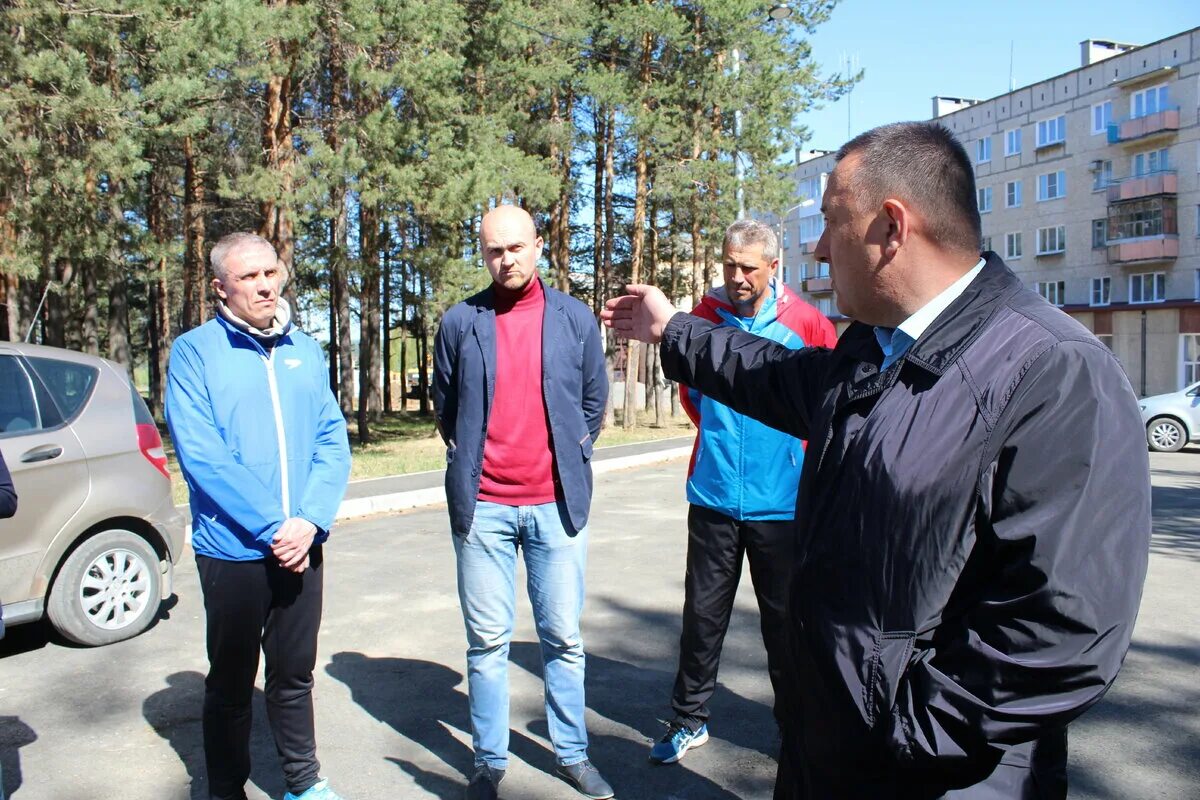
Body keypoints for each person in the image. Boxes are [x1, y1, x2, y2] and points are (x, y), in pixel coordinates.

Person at [603, 121, 1150, 799]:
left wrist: (900, 739)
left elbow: (1059, 629)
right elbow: (775, 375)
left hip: (930, 778)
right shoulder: (874, 348)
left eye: (833, 221)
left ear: (893, 227)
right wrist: (675, 330)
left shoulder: (1055, 372)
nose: (818, 247)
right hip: (828, 756)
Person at [433, 205, 610, 800]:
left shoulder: (574, 318)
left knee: (562, 640)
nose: (505, 259)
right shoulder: (461, 321)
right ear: (482, 253)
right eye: (493, 250)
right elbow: (447, 405)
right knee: (487, 644)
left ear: (539, 244)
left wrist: (569, 454)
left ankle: (572, 754)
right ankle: (489, 762)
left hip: (555, 508)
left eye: (515, 247)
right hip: (482, 509)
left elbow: (593, 402)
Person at [166, 232, 351, 800]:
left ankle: (303, 781)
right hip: (233, 551)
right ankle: (225, 788)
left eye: (271, 272)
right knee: (229, 683)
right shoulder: (195, 352)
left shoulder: (306, 349)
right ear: (220, 287)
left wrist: (310, 521)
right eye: (248, 278)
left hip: (302, 545)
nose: (265, 285)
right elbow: (203, 456)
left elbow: (331, 439)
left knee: (294, 676)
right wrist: (276, 526)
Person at [650, 219, 836, 766]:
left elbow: (821, 410)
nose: (736, 276)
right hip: (712, 499)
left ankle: (794, 730)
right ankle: (688, 720)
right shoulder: (701, 321)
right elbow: (692, 398)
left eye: (748, 267)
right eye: (729, 265)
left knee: (786, 626)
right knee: (701, 620)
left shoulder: (809, 324)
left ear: (773, 267)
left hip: (781, 505)